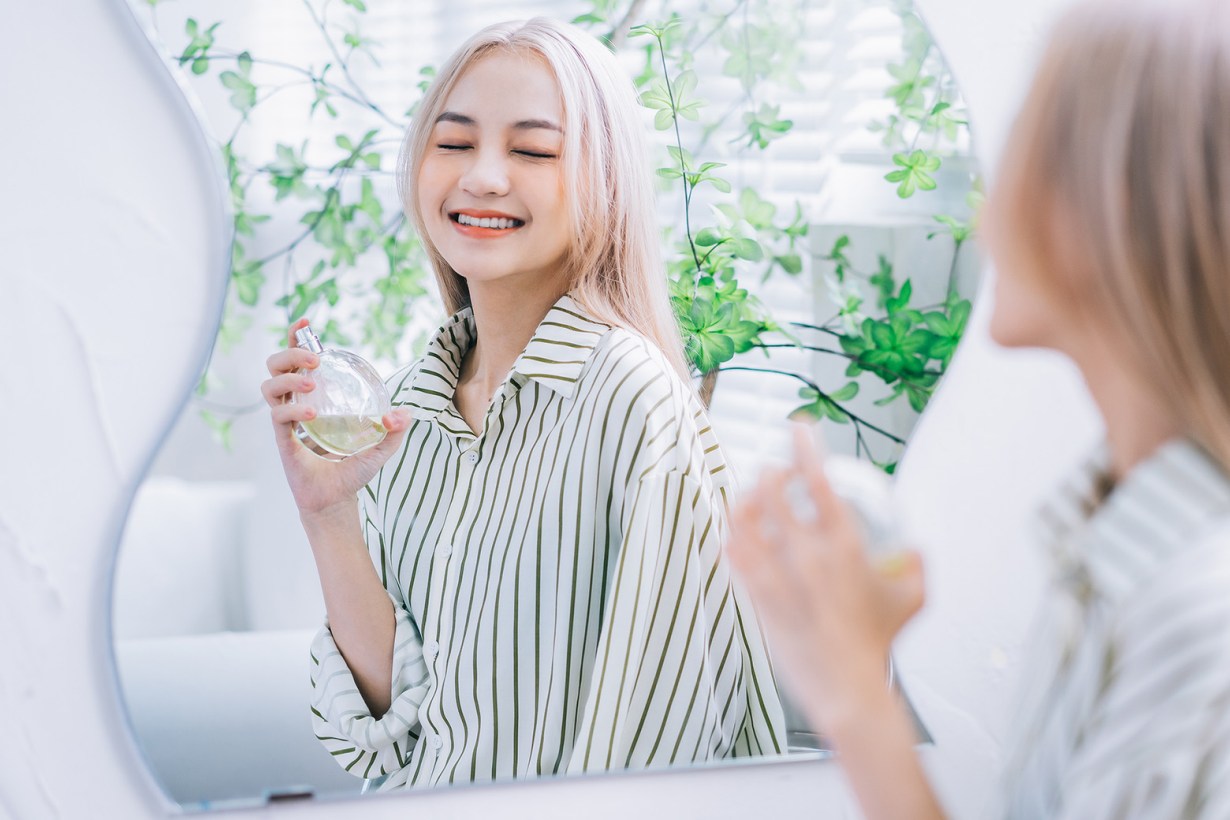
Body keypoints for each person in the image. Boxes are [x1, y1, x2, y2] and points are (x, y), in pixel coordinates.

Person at [725, 0, 1230, 816]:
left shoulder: (1200, 631)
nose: (980, 213)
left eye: (1022, 145)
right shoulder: (1110, 565)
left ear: (1099, 207)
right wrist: (852, 684)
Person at [261, 17, 785, 790]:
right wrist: (326, 514)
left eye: (533, 151)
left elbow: (656, 750)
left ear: (603, 181)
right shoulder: (413, 406)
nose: (483, 177)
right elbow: (389, 733)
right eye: (454, 143)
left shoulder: (633, 405)